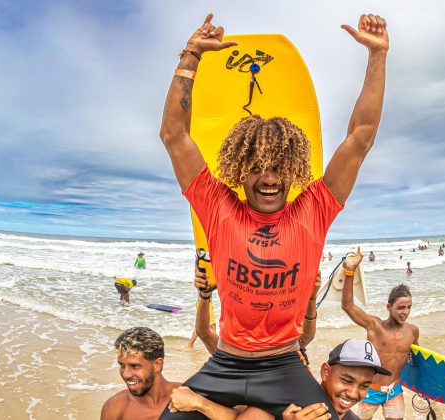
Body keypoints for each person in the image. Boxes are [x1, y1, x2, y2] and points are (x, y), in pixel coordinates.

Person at [159, 11, 390, 418]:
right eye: (257, 167)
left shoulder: (314, 209)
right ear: (238, 169)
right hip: (226, 362)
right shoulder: (217, 207)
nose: (269, 178)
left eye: (279, 167)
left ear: (294, 170)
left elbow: (360, 138)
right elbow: (174, 136)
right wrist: (191, 54)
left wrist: (377, 56)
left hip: (283, 363)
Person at [170, 339, 391, 420]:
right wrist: (199, 402)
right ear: (325, 372)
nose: (353, 393)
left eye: (364, 386)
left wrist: (199, 402)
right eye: (346, 380)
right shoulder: (286, 398)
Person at [341, 247, 419, 420]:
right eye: (401, 307)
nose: (405, 312)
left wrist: (425, 387)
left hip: (394, 390)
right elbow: (347, 306)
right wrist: (350, 271)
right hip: (370, 391)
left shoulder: (413, 331)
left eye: (408, 307)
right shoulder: (375, 326)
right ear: (389, 307)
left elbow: (417, 360)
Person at [192, 266, 322, 358]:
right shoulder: (231, 350)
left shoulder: (279, 347)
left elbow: (306, 337)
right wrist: (204, 295)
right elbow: (203, 332)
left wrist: (311, 297)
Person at [101, 327, 180, 419]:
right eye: (122, 365)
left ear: (157, 365)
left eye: (135, 366)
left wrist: (200, 405)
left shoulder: (188, 399)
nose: (126, 374)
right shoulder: (115, 407)